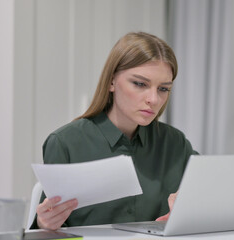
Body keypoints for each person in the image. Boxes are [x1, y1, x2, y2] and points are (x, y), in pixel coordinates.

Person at [31, 32, 197, 230]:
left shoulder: (175, 143)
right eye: (140, 84)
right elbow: (48, 225)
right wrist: (44, 223)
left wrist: (193, 202)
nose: (153, 99)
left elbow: (210, 190)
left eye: (163, 89)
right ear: (111, 82)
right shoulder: (65, 143)